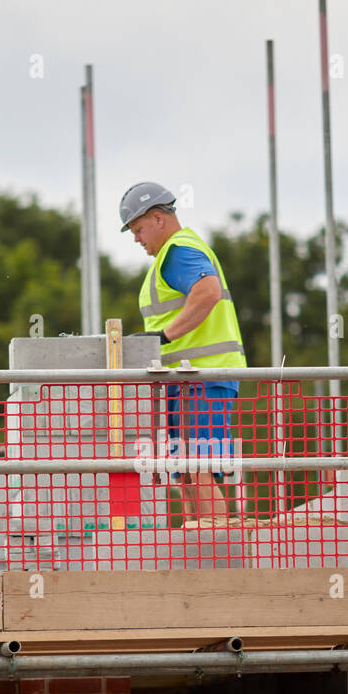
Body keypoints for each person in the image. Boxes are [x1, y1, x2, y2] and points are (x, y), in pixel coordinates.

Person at [120, 181, 246, 528]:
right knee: (187, 469)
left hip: (201, 377)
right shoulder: (174, 253)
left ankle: (216, 550)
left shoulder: (178, 250)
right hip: (190, 379)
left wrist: (163, 336)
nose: (136, 238)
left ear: (158, 218)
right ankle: (199, 546)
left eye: (138, 228)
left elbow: (208, 291)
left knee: (198, 466)